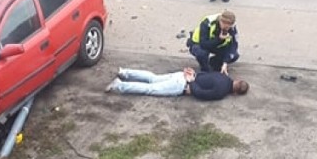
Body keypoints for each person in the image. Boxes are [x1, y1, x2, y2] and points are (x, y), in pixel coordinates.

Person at [105, 66, 249, 100]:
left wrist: (192, 75)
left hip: (182, 75)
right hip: (181, 85)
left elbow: (205, 75)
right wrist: (190, 84)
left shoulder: (223, 76)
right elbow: (201, 94)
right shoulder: (221, 92)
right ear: (235, 92)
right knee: (150, 89)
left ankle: (125, 72)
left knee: (153, 78)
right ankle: (120, 85)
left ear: (237, 81)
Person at [187, 10, 239, 74]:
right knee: (201, 53)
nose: (226, 29)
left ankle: (214, 63)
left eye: (228, 27)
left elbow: (234, 45)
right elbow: (203, 44)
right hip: (198, 44)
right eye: (225, 26)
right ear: (220, 21)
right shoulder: (207, 22)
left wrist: (225, 62)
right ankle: (205, 69)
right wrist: (219, 39)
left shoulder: (232, 28)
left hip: (217, 45)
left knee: (234, 55)